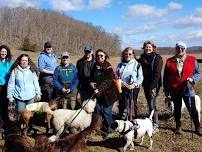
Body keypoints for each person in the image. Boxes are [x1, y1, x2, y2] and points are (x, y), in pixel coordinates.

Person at [163, 41, 201, 136]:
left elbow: (198, 72)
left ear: (185, 49)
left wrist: (193, 79)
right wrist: (166, 91)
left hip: (188, 89)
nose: (180, 50)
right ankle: (178, 126)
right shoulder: (169, 61)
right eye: (178, 48)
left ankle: (197, 126)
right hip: (174, 89)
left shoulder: (192, 59)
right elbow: (166, 78)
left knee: (192, 109)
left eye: (182, 48)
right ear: (175, 49)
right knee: (177, 108)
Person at [90, 49, 119, 137]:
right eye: (98, 56)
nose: (99, 57)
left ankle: (110, 130)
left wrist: (98, 89)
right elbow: (92, 77)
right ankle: (100, 128)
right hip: (99, 94)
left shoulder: (108, 67)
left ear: (105, 56)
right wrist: (91, 83)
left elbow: (108, 81)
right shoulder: (94, 66)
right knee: (98, 110)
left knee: (106, 111)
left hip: (109, 94)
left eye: (101, 56)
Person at [138, 40, 163, 133]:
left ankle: (155, 124)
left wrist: (152, 87)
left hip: (154, 85)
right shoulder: (142, 58)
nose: (148, 48)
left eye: (149, 47)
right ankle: (151, 120)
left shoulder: (157, 58)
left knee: (152, 105)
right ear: (144, 48)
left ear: (153, 48)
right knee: (150, 103)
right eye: (146, 47)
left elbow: (157, 75)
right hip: (146, 85)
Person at [116, 47, 143, 120]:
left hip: (133, 88)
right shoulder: (120, 65)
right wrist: (120, 82)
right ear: (123, 55)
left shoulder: (137, 65)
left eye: (130, 54)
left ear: (133, 55)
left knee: (132, 104)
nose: (128, 55)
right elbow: (117, 75)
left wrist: (134, 85)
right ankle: (122, 119)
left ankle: (132, 119)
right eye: (126, 54)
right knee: (122, 103)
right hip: (122, 87)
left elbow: (140, 78)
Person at [0, 45, 13, 130]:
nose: (3, 53)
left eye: (5, 52)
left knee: (5, 106)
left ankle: (6, 124)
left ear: (7, 53)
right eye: (2, 51)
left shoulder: (10, 62)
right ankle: (0, 125)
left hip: (7, 87)